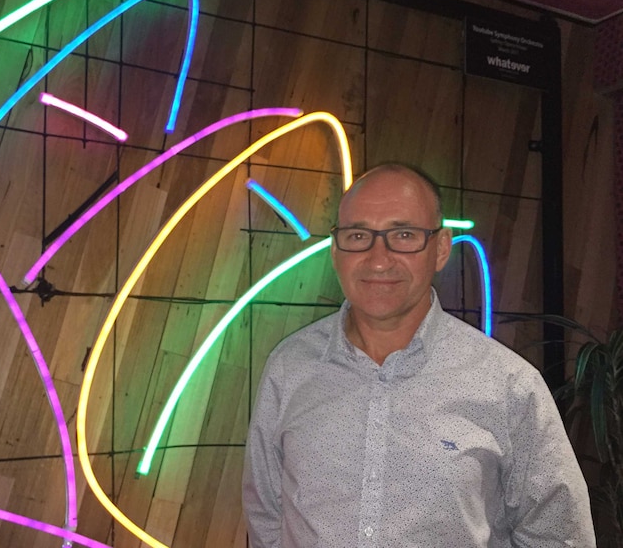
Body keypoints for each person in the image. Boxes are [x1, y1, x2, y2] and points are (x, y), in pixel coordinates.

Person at [242, 164, 595, 547]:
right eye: (358, 235)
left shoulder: (509, 385)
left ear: (441, 248)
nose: (378, 260)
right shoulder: (289, 368)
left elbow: (559, 535)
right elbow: (267, 515)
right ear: (335, 249)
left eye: (404, 235)